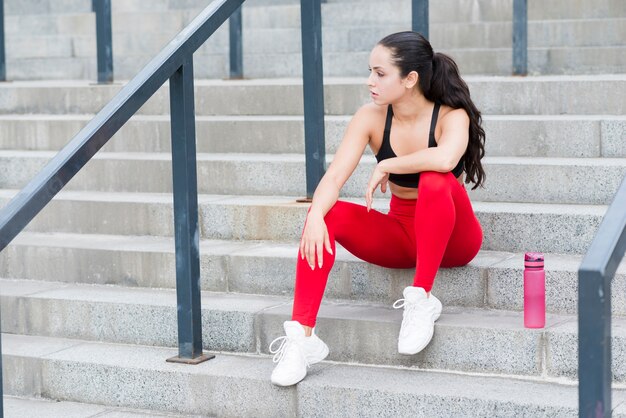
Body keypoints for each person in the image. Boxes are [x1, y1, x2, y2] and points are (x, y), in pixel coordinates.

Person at [269, 31, 485, 387]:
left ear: (410, 79)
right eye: (370, 71)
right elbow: (335, 176)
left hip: (455, 240)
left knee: (434, 179)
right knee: (326, 214)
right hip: (402, 236)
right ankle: (302, 339)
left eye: (380, 73)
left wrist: (388, 165)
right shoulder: (371, 118)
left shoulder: (451, 115)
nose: (370, 81)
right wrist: (315, 218)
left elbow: (446, 159)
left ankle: (422, 299)